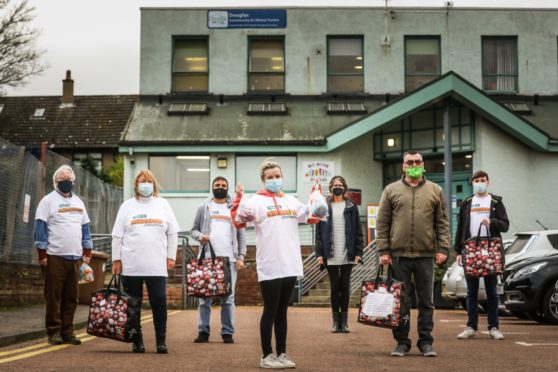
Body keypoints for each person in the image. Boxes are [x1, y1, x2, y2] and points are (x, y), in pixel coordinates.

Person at [232, 158, 320, 369]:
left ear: (282, 177)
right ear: (263, 180)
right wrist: (238, 200)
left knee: (282, 312)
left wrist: (316, 199)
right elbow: (238, 220)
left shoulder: (291, 200)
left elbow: (311, 217)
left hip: (290, 263)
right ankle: (266, 355)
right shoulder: (256, 201)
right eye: (270, 177)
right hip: (270, 265)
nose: (275, 180)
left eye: (277, 176)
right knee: (270, 311)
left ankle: (281, 353)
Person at [376, 150, 450, 357]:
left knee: (426, 301)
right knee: (400, 301)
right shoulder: (391, 190)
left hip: (426, 255)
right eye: (410, 162)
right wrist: (383, 249)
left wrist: (443, 248)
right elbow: (382, 222)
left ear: (423, 164)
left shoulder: (435, 190)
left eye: (417, 161)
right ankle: (402, 342)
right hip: (398, 255)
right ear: (404, 166)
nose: (414, 164)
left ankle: (426, 342)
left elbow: (442, 223)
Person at [111, 169, 180, 354]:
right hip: (131, 264)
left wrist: (171, 256)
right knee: (133, 305)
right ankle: (137, 341)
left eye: (149, 181)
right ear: (136, 185)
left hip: (156, 265)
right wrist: (116, 259)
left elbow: (172, 233)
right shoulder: (127, 206)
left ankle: (161, 341)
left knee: (159, 302)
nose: (146, 184)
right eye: (142, 181)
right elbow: (117, 235)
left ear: (154, 184)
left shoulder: (163, 205)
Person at [34, 165, 93, 345]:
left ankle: (68, 332)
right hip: (54, 256)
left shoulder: (79, 203)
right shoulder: (47, 201)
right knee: (53, 296)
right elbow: (40, 228)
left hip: (75, 257)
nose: (66, 182)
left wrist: (87, 251)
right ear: (55, 182)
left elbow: (85, 229)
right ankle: (53, 332)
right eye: (62, 180)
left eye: (68, 179)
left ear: (73, 181)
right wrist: (42, 254)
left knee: (71, 297)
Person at [190, 176, 247, 344]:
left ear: (227, 188)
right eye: (217, 185)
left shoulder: (234, 208)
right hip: (207, 259)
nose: (220, 187)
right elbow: (193, 230)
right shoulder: (203, 208)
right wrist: (200, 236)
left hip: (229, 260)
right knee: (204, 298)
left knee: (228, 298)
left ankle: (227, 333)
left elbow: (241, 234)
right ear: (212, 187)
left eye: (223, 185)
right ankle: (203, 332)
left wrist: (241, 256)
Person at [454, 170, 509, 340]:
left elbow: (505, 225)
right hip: (471, 249)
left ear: (488, 182)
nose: (479, 183)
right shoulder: (467, 203)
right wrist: (458, 251)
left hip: (490, 249)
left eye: (482, 180)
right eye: (476, 180)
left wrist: (492, 221)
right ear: (472, 183)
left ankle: (494, 327)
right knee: (471, 292)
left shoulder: (496, 202)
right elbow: (461, 226)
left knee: (492, 291)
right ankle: (471, 326)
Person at [315, 175, 364, 333]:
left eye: (341, 185)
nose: (338, 187)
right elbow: (318, 232)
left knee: (346, 287)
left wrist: (358, 252)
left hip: (347, 252)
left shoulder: (351, 206)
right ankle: (336, 322)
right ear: (331, 187)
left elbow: (358, 232)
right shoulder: (324, 205)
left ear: (345, 188)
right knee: (335, 287)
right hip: (330, 253)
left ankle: (345, 322)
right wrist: (319, 254)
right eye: (335, 185)